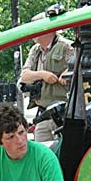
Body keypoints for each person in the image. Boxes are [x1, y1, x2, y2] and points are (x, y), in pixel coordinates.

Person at [20, 12, 74, 142]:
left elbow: (78, 67)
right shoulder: (35, 50)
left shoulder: (67, 46)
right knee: (42, 152)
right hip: (43, 113)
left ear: (47, 29)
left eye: (35, 28)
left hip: (63, 113)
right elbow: (24, 76)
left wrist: (67, 73)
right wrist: (43, 75)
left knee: (63, 150)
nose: (32, 33)